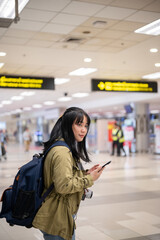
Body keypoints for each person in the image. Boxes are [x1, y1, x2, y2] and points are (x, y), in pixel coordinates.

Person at [32, 107, 105, 240]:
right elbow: (63, 186)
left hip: (57, 214)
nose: (84, 129)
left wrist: (85, 173)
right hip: (56, 218)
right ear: (67, 125)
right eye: (79, 124)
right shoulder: (62, 151)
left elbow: (61, 176)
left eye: (86, 125)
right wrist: (89, 179)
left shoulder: (60, 146)